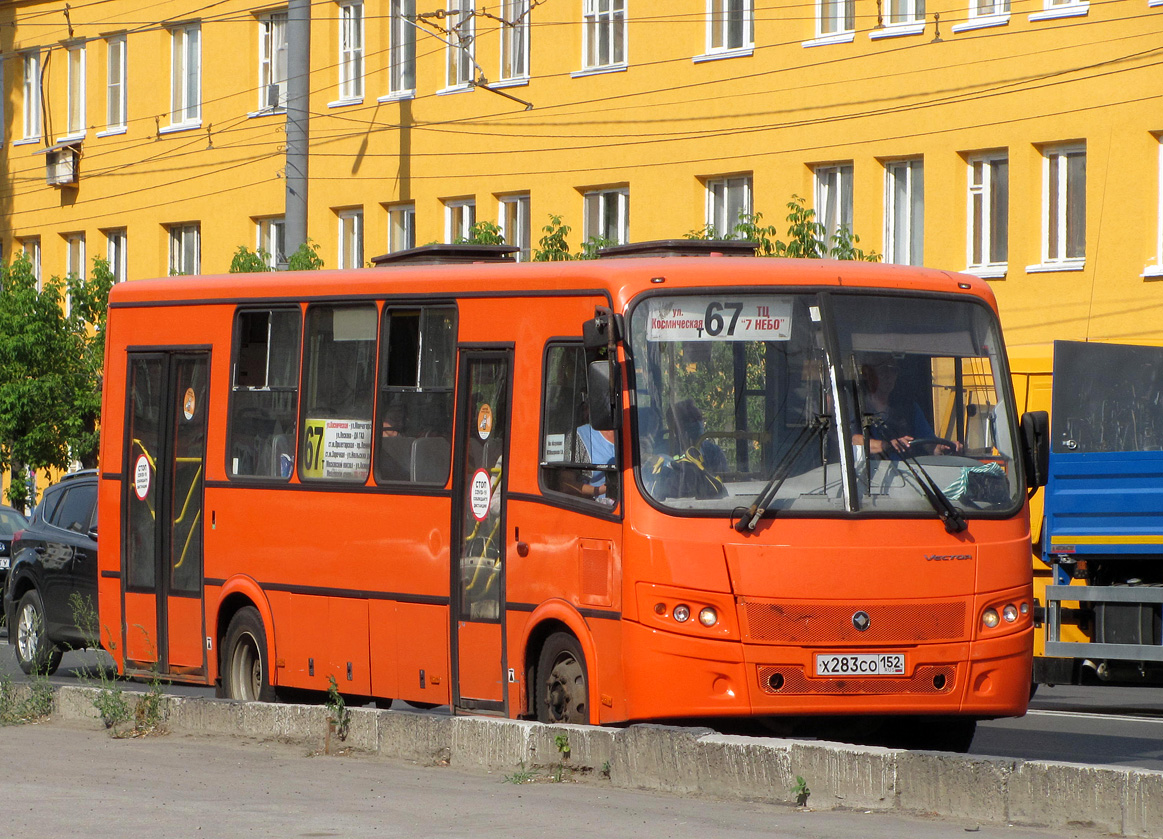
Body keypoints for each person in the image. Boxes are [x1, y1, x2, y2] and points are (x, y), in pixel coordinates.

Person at [853, 354, 960, 457]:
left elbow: (928, 443)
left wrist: (941, 447)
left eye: (893, 370)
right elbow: (852, 440)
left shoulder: (909, 408)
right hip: (871, 472)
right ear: (866, 373)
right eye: (884, 369)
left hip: (909, 471)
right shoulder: (855, 407)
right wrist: (886, 445)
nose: (889, 376)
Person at [673, 399, 727, 472]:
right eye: (691, 421)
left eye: (700, 419)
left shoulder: (714, 452)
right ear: (679, 426)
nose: (698, 424)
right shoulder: (669, 451)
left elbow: (724, 479)